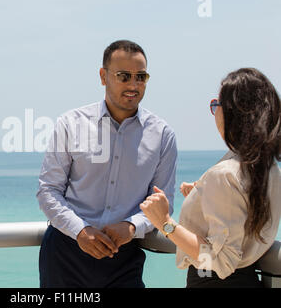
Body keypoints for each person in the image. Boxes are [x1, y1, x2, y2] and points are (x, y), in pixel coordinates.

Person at [36, 40, 178, 287]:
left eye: (141, 77)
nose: (133, 85)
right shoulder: (70, 124)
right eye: (124, 76)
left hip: (124, 258)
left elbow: (163, 202)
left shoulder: (163, 135)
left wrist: (132, 226)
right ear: (103, 76)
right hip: (66, 253)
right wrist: (80, 231)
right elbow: (48, 190)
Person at [140, 67, 281, 288]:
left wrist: (165, 223)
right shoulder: (267, 166)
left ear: (235, 113)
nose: (214, 112)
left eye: (217, 104)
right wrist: (203, 193)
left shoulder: (225, 174)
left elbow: (219, 261)